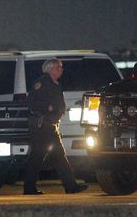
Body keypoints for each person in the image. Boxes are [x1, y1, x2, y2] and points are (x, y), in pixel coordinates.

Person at [23, 58, 89, 195]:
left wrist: (57, 111)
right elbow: (31, 102)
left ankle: (70, 186)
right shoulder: (41, 83)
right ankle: (30, 188)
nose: (61, 70)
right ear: (50, 69)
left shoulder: (55, 84)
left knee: (57, 156)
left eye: (61, 67)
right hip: (42, 126)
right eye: (59, 67)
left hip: (50, 125)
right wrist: (47, 108)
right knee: (38, 156)